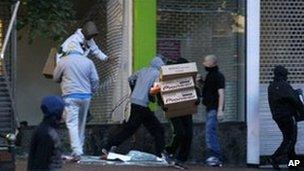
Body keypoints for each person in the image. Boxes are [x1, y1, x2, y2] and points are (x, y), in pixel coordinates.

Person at [101, 55, 171, 161]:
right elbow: (156, 89)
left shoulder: (143, 70)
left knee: (151, 129)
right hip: (142, 104)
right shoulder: (158, 73)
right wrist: (159, 102)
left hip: (135, 102)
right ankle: (160, 154)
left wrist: (134, 90)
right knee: (152, 129)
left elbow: (131, 79)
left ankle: (160, 153)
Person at [53, 35, 100, 161]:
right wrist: (92, 91)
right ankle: (80, 149)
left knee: (72, 123)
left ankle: (77, 151)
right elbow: (95, 80)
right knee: (81, 123)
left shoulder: (63, 61)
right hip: (86, 96)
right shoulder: (88, 62)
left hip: (70, 96)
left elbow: (55, 78)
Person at [156, 57, 199, 166]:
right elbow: (159, 91)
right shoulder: (166, 77)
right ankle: (169, 151)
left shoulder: (188, 79)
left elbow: (195, 90)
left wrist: (197, 99)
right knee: (179, 132)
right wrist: (163, 105)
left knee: (188, 133)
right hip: (173, 108)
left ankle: (181, 159)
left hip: (186, 108)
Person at [268, 65, 304, 169]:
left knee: (288, 138)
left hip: (278, 117)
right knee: (291, 139)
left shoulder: (271, 86)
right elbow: (295, 100)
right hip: (288, 116)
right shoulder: (284, 85)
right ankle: (275, 157)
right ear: (284, 74)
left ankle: (293, 164)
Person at [27, 96, 65, 171]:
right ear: (57, 112)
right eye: (63, 110)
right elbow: (41, 163)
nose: (64, 114)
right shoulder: (46, 133)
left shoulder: (46, 129)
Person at [201, 54, 225, 166]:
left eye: (206, 61)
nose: (204, 64)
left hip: (214, 109)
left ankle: (215, 156)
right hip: (210, 108)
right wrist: (200, 82)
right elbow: (207, 90)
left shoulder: (218, 76)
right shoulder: (210, 76)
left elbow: (221, 93)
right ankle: (214, 156)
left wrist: (220, 109)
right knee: (210, 132)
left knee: (210, 132)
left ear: (212, 63)